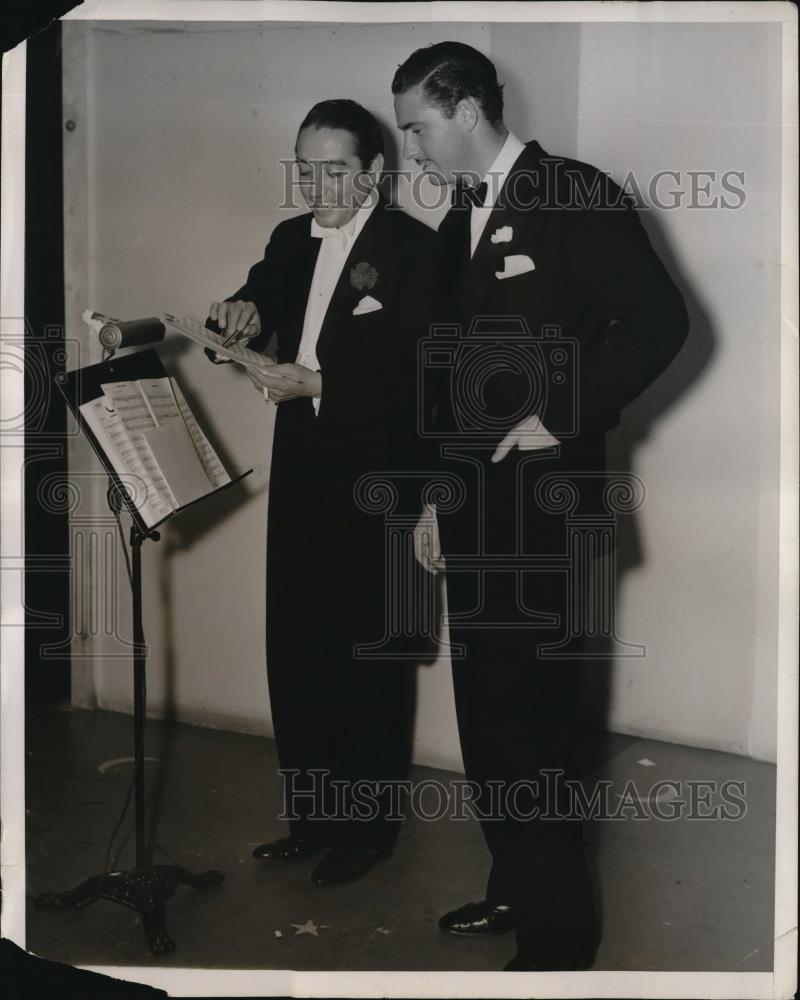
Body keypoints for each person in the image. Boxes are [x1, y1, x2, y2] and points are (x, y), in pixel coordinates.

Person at [392, 42, 689, 970]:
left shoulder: (573, 192)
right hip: (476, 512)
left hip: (548, 513)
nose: (413, 149)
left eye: (419, 127)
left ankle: (562, 938)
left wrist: (558, 416)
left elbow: (661, 322)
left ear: (470, 108)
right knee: (489, 716)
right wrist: (437, 502)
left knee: (538, 726)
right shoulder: (458, 221)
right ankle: (514, 882)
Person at [206, 99, 438, 886]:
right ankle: (311, 817)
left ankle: (367, 832)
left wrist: (324, 380)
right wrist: (239, 315)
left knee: (365, 653)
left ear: (374, 171)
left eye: (334, 169)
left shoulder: (414, 249)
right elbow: (262, 300)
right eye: (305, 167)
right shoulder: (288, 237)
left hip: (380, 471)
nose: (316, 184)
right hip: (304, 455)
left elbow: (421, 378)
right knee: (297, 641)